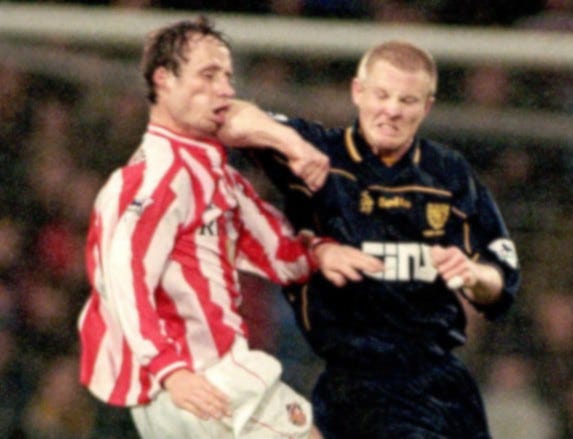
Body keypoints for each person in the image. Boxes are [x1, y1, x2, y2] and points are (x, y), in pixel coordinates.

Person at [77, 16, 380, 439]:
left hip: (185, 389)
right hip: (200, 378)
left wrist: (319, 252)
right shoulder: (154, 178)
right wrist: (170, 369)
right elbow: (122, 279)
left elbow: (280, 255)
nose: (225, 89)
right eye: (208, 75)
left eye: (227, 76)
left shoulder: (214, 175)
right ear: (163, 79)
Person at [228, 40, 521, 438]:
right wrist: (291, 144)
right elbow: (228, 116)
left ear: (426, 107)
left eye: (407, 100)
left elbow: (501, 281)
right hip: (357, 385)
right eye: (382, 95)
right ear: (358, 92)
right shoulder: (319, 154)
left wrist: (473, 274)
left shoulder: (449, 174)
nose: (393, 110)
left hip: (443, 383)